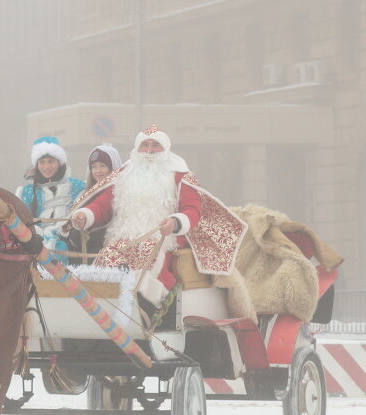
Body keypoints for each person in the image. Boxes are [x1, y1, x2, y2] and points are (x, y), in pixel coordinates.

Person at [67, 124, 246, 309]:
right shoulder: (124, 175)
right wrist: (85, 215)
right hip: (122, 240)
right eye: (145, 145)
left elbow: (192, 209)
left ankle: (149, 313)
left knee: (145, 264)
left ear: (165, 148)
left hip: (162, 239)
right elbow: (103, 205)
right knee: (106, 263)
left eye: (155, 145)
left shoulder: (182, 175)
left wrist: (175, 222)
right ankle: (103, 309)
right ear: (137, 148)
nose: (149, 151)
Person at [16, 136, 86, 259]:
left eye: (51, 161)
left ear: (59, 162)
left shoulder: (78, 187)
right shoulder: (27, 192)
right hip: (36, 246)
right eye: (42, 162)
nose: (46, 167)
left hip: (71, 245)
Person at [63, 143, 122, 256]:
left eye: (102, 166)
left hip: (104, 253)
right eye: (94, 167)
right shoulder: (84, 194)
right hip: (80, 253)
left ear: (112, 167)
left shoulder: (118, 192)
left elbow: (101, 208)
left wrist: (86, 216)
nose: (98, 171)